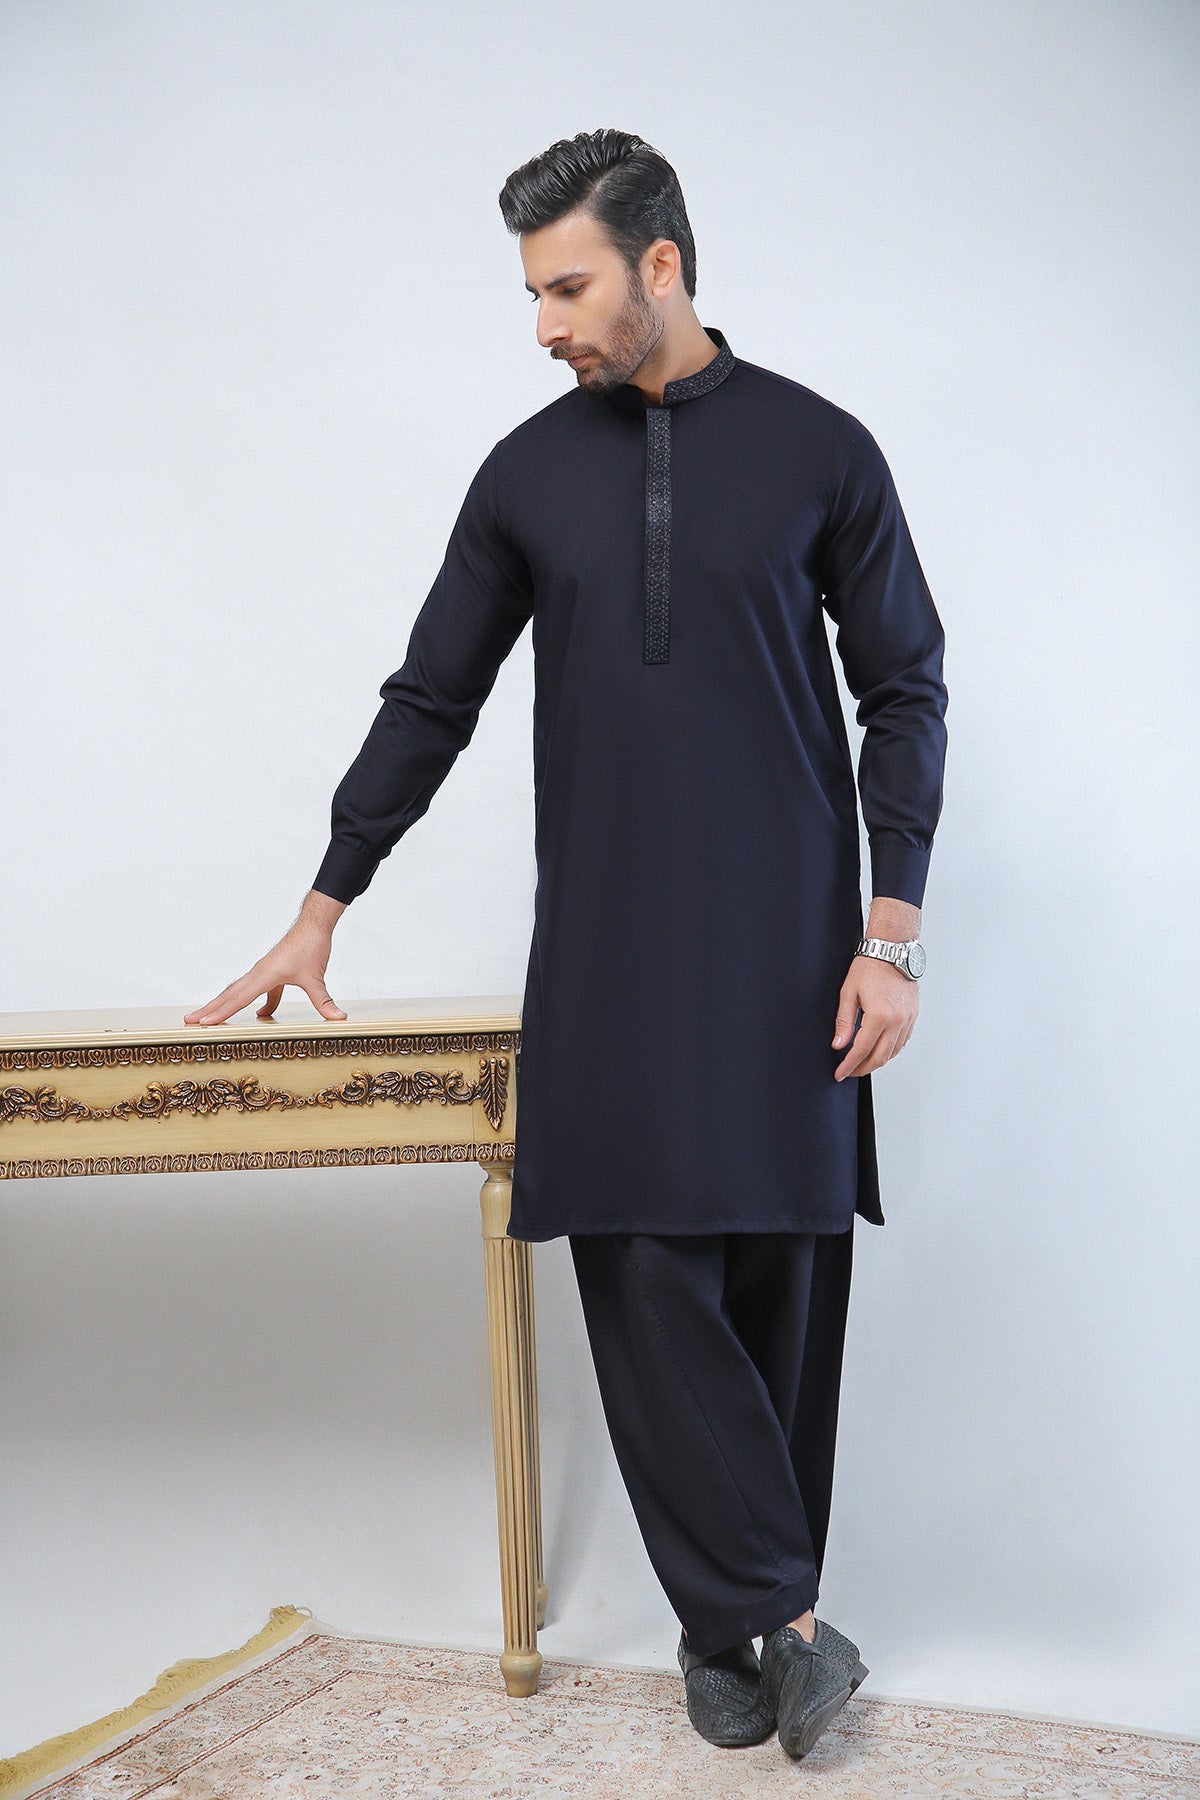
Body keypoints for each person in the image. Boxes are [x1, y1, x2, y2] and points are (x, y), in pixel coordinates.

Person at [185, 128, 948, 1760]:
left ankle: (727, 1635)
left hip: (793, 944)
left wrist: (892, 936)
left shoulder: (822, 451)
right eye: (532, 293)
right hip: (606, 942)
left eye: (568, 287)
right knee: (643, 1267)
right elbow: (431, 697)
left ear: (662, 264)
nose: (544, 324)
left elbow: (905, 688)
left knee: (782, 1281)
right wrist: (325, 901)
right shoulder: (527, 474)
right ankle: (790, 1616)